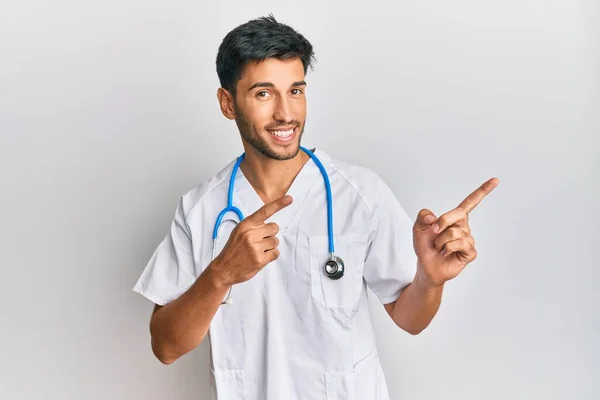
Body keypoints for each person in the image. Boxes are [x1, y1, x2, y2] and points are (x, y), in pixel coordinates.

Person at [133, 14, 499, 400]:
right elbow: (166, 347)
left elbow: (411, 320)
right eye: (263, 93)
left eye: (295, 91)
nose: (286, 113)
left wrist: (430, 279)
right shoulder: (200, 210)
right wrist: (220, 275)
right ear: (227, 103)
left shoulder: (359, 193)